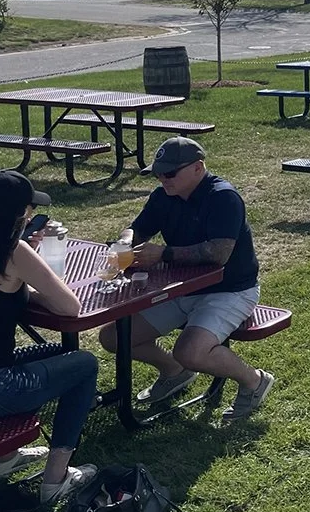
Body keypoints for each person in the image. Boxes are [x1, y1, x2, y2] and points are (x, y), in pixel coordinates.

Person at [0, 171, 99, 503]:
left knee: (52, 353)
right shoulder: (14, 251)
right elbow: (70, 307)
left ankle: (3, 460)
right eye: (30, 208)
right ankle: (56, 480)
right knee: (84, 364)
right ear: (21, 213)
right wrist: (32, 263)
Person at [101, 138, 275, 421]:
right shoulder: (163, 196)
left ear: (198, 168)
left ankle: (254, 381)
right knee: (114, 337)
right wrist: (125, 243)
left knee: (190, 352)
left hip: (229, 290)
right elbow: (137, 229)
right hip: (180, 287)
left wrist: (163, 253)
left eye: (170, 173)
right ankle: (174, 371)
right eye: (158, 173)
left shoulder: (223, 197)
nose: (163, 179)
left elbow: (219, 253)